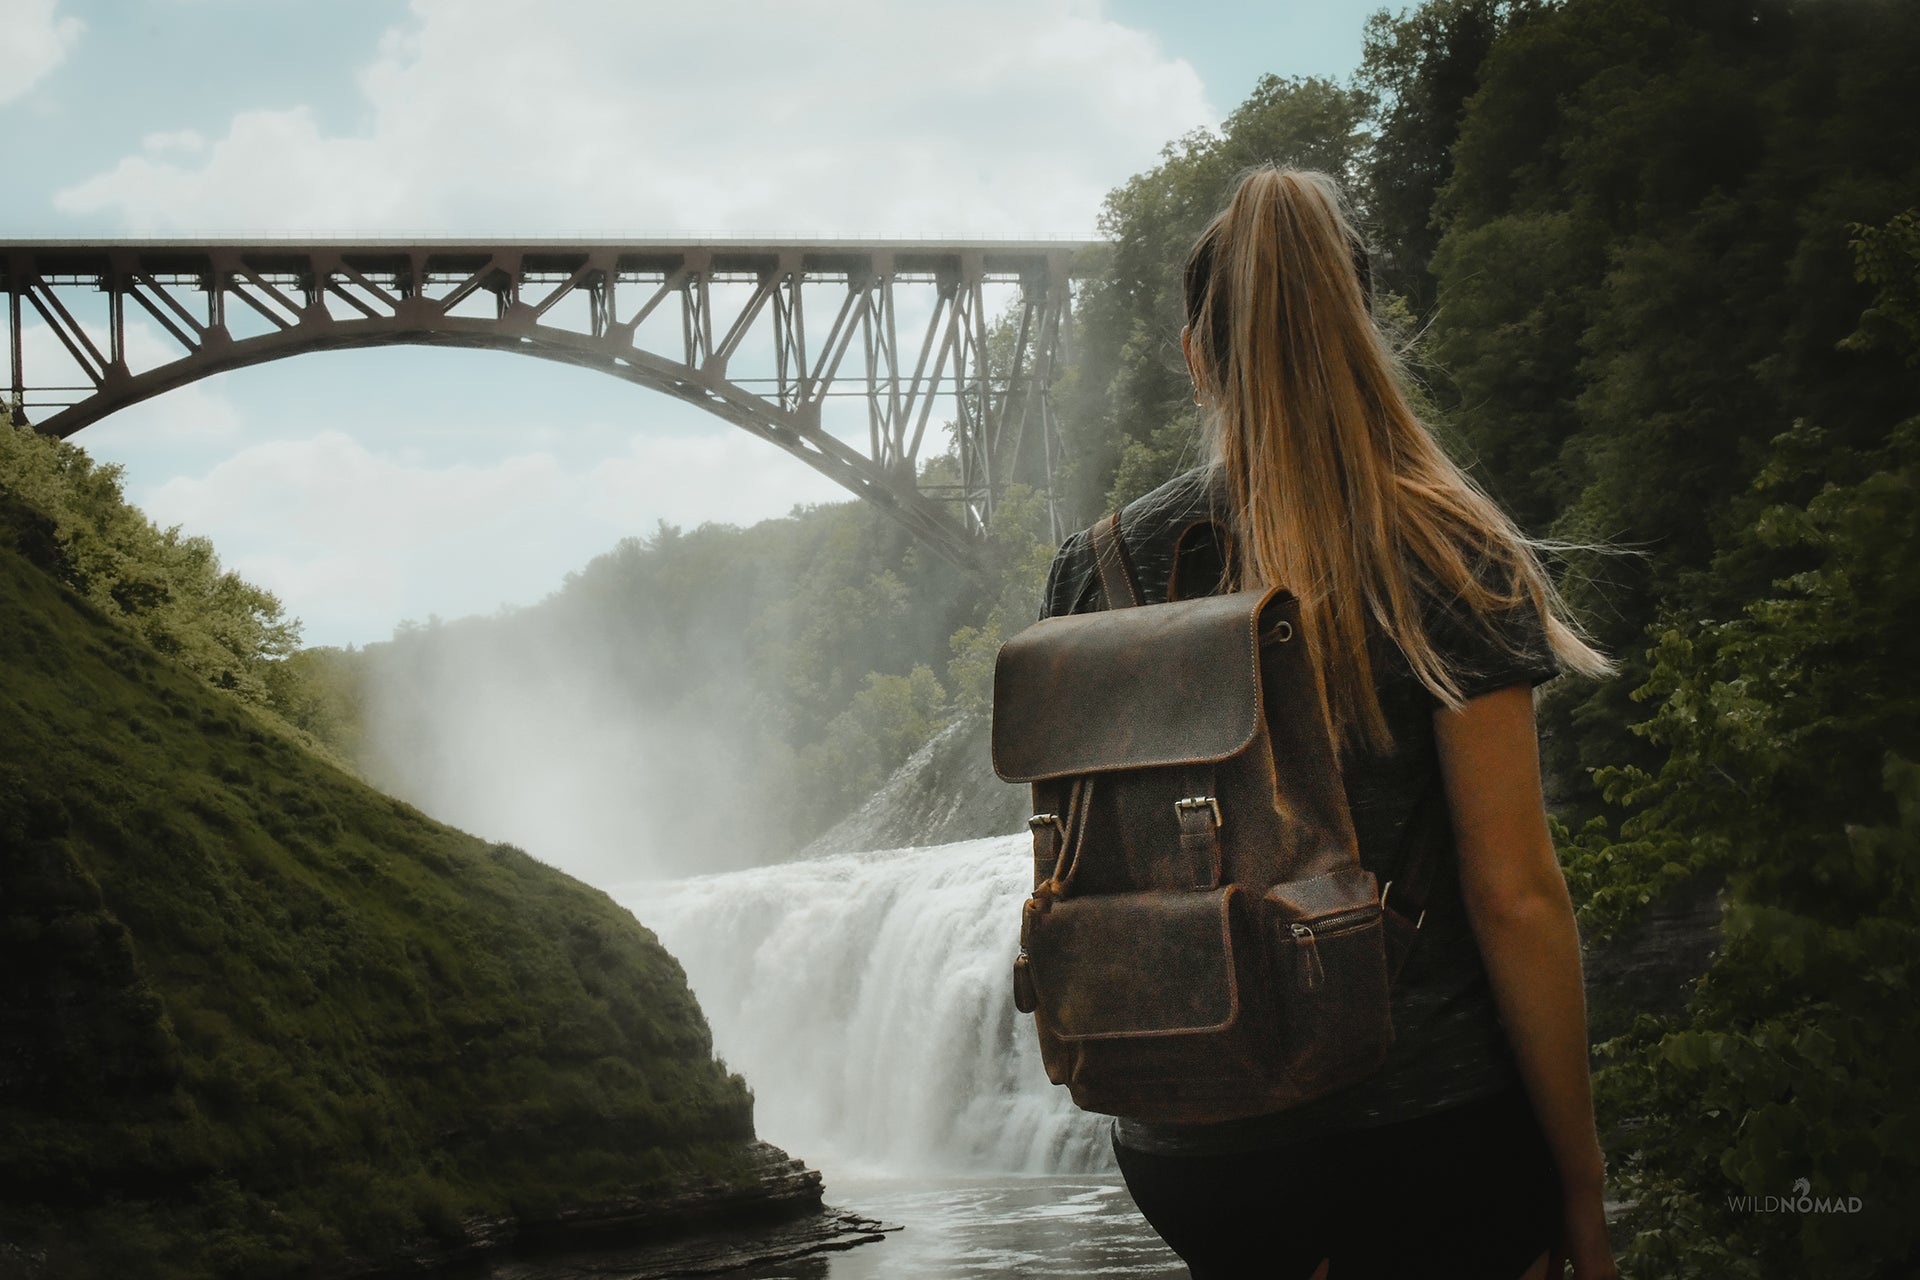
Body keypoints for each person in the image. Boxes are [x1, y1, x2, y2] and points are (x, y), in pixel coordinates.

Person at [1036, 166, 1619, 1279]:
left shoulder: (1095, 568)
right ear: (1365, 330)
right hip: (1422, 1131)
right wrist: (1583, 1188)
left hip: (1192, 1152)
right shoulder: (1441, 549)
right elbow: (1514, 896)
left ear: (1197, 354)